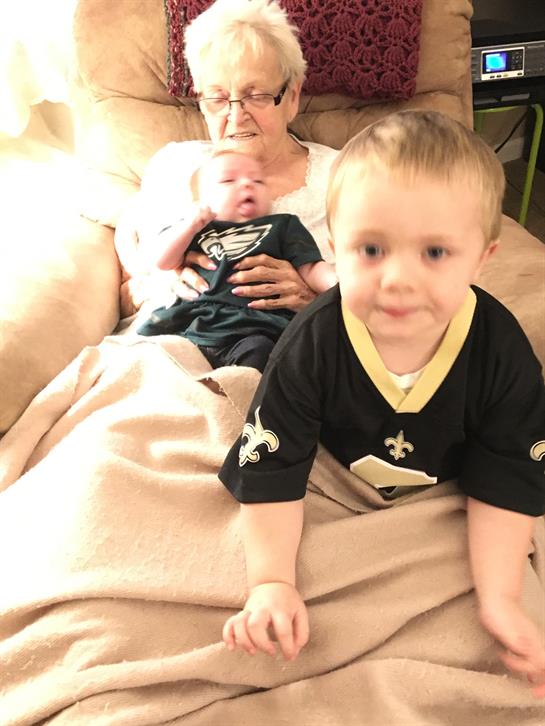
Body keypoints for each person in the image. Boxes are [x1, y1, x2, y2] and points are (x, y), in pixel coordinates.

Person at [218, 110, 545, 697]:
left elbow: (510, 477)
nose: (397, 279)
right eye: (371, 249)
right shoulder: (312, 343)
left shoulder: (501, 351)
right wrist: (271, 582)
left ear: (482, 257)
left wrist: (499, 600)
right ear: (334, 247)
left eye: (435, 252)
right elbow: (270, 466)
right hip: (333, 473)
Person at [115, 0, 338, 319]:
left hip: (281, 344)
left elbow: (380, 295)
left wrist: (310, 301)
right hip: (166, 337)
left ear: (292, 97)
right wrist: (164, 280)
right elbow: (128, 287)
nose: (236, 116)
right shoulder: (173, 165)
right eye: (217, 98)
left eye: (255, 96)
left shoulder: (342, 177)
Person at [136, 150, 336, 371]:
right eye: (228, 180)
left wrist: (338, 280)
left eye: (258, 181)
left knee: (260, 354)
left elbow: (311, 268)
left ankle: (231, 389)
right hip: (191, 322)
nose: (247, 184)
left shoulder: (282, 226)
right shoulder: (197, 228)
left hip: (253, 327)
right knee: (154, 356)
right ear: (201, 201)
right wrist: (190, 225)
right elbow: (162, 262)